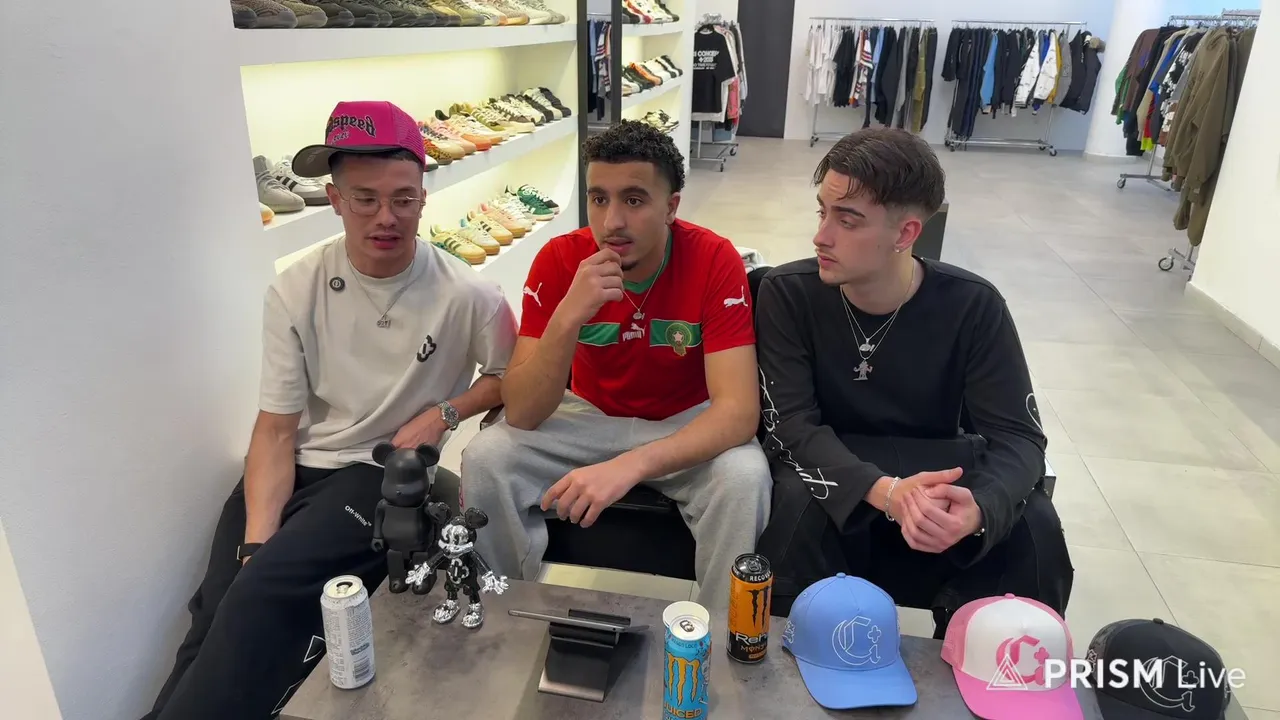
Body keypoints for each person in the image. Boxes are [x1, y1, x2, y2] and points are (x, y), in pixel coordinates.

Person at [145, 101, 517, 720]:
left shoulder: (470, 295)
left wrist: (447, 412)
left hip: (375, 474)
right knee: (217, 605)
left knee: (257, 600)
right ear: (336, 199)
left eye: (402, 199)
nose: (385, 217)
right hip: (296, 466)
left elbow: (509, 377)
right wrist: (256, 546)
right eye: (365, 199)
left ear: (423, 199)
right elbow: (275, 430)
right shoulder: (296, 288)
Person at [753, 128, 1073, 635]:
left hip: (940, 469)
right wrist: (886, 492)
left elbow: (1019, 436)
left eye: (847, 220)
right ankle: (790, 657)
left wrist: (979, 508)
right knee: (796, 504)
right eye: (822, 212)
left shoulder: (973, 306)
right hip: (834, 471)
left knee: (1033, 523)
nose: (821, 236)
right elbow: (789, 424)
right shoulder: (789, 293)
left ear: (905, 234)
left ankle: (993, 662)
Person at [459, 121, 771, 609]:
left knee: (745, 477)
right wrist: (568, 316)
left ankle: (716, 634)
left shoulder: (715, 258)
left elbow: (737, 412)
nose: (612, 222)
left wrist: (628, 466)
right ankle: (498, 612)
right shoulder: (560, 259)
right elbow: (521, 412)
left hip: (682, 422)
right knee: (486, 457)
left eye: (634, 199)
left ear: (671, 207)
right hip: (586, 417)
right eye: (598, 198)